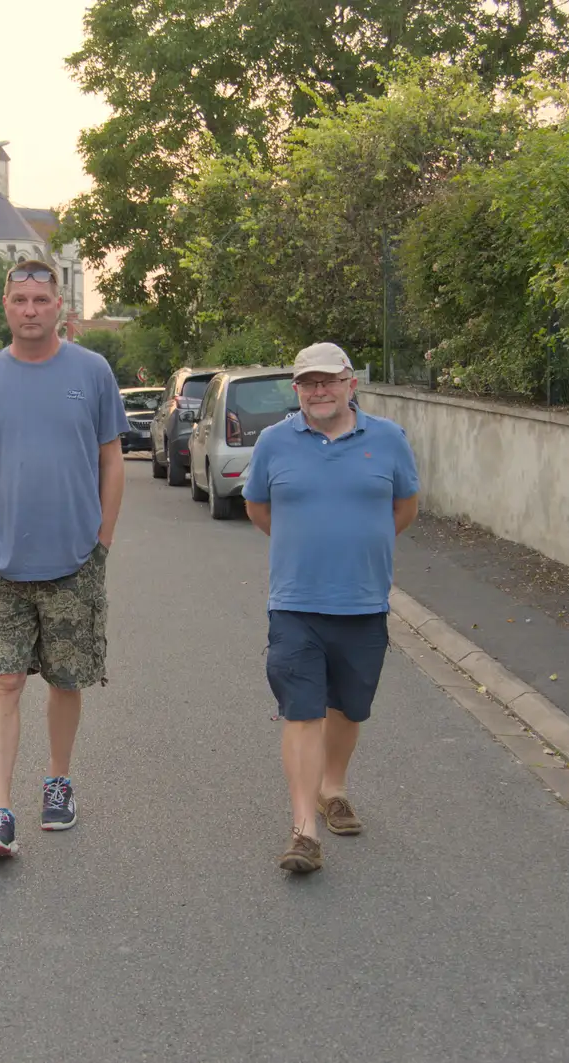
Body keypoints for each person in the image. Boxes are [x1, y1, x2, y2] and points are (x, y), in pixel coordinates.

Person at [0, 259, 130, 858]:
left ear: (60, 307)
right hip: (1, 564)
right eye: (20, 299)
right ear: (6, 306)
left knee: (65, 677)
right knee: (3, 678)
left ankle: (58, 782)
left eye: (40, 299)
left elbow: (112, 460)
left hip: (76, 560)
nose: (30, 309)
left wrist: (101, 541)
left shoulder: (93, 372)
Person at [242, 342, 420, 873]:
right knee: (302, 712)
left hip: (363, 603)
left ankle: (332, 788)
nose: (318, 391)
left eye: (328, 381)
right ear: (296, 390)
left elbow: (404, 507)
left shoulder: (388, 440)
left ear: (351, 384)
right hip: (295, 604)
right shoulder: (274, 442)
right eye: (307, 383)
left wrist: (361, 549)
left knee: (348, 707)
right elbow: (257, 507)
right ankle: (303, 831)